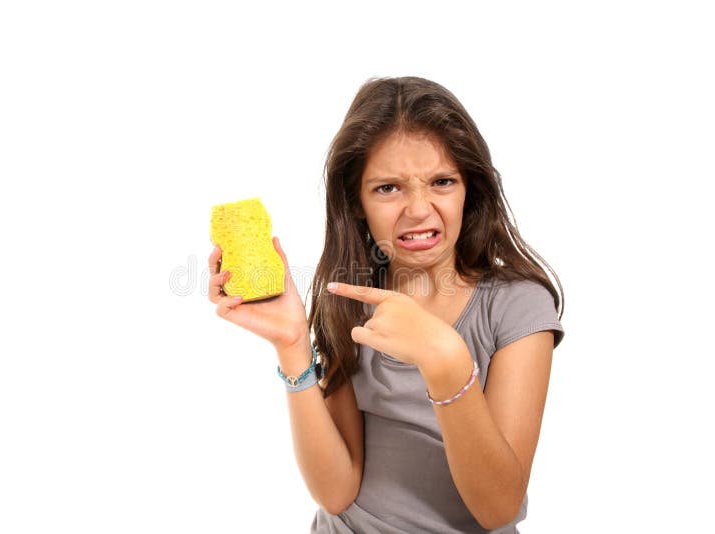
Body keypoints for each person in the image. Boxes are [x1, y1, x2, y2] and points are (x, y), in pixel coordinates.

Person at [208, 76, 565, 533]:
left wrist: (445, 359)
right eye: (388, 188)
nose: (418, 208)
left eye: (441, 181)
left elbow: (497, 507)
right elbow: (337, 491)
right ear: (357, 203)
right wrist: (294, 346)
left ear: (469, 188)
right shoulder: (352, 299)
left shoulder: (516, 307)